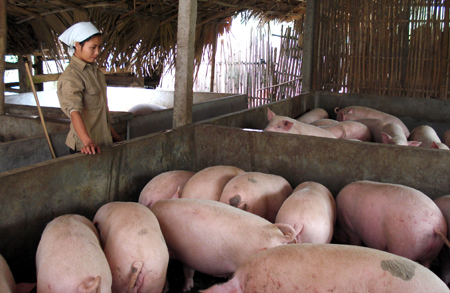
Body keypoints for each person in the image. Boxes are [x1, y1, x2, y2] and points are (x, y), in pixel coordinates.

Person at [57, 21, 121, 155]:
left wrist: (114, 135)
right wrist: (87, 142)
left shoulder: (95, 72)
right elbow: (74, 112)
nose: (97, 52)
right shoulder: (72, 76)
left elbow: (100, 112)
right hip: (85, 147)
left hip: (103, 142)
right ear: (78, 45)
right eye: (93, 47)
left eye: (99, 47)